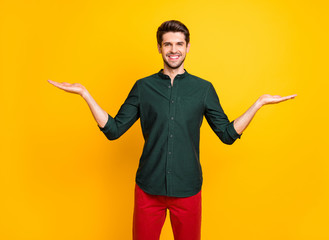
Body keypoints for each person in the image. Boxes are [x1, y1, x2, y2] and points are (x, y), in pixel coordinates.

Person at [48, 20, 296, 240]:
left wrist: (258, 104)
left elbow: (227, 134)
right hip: (148, 190)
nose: (174, 49)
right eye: (168, 44)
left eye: (179, 43)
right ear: (159, 48)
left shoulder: (203, 89)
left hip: (188, 190)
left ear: (188, 47)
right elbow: (114, 130)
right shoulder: (143, 87)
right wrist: (85, 95)